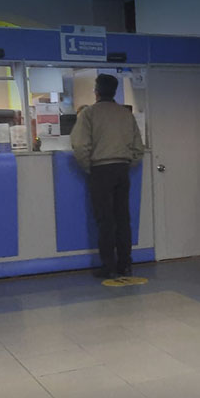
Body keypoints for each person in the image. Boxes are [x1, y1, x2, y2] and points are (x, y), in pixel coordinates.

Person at [70, 74, 145, 279]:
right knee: (123, 219)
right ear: (114, 91)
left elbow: (79, 146)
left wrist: (89, 167)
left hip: (100, 170)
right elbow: (138, 148)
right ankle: (125, 264)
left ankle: (108, 266)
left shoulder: (89, 114)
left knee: (105, 220)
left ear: (96, 92)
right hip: (122, 170)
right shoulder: (125, 114)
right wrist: (128, 163)